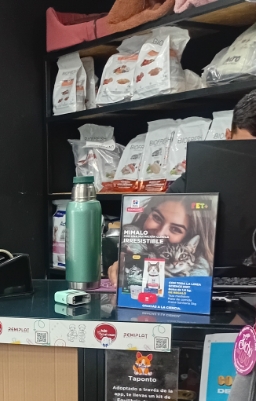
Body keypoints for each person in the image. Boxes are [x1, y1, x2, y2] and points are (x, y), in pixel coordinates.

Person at [108, 89, 256, 285]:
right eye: (248, 151)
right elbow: (150, 229)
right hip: (215, 287)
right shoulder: (200, 175)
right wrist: (128, 261)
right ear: (228, 137)